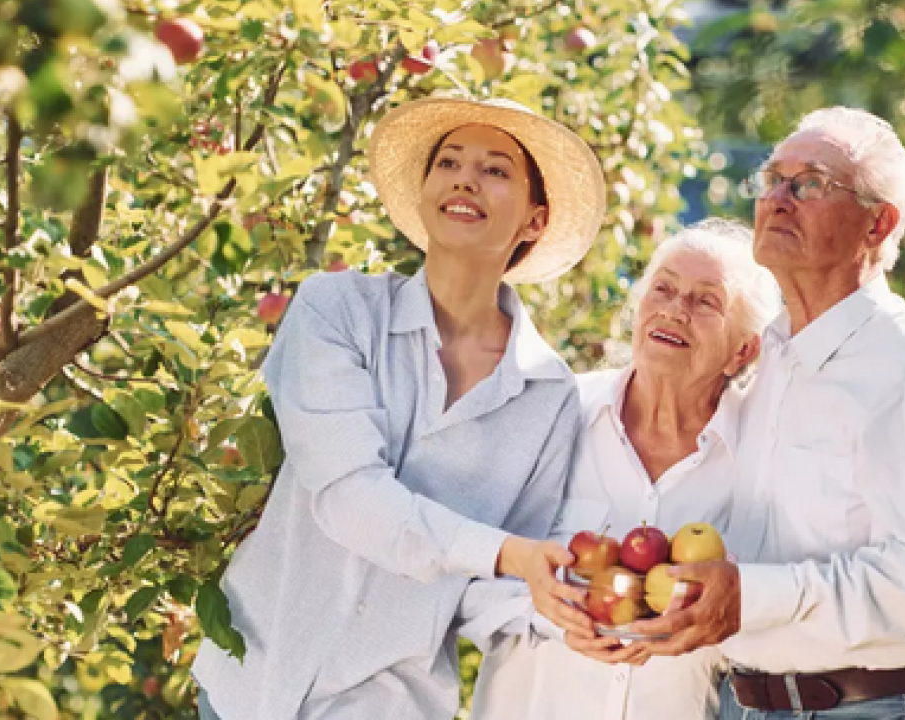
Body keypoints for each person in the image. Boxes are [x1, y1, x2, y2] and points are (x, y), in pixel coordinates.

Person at [190, 96, 604, 720]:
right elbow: (348, 497)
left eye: (495, 170)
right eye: (448, 162)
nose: (465, 178)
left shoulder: (548, 396)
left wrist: (565, 612)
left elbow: (494, 588)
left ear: (534, 221)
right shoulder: (336, 311)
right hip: (248, 683)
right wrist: (507, 553)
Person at [628, 107, 905, 718]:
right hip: (750, 702)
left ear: (878, 224)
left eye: (810, 184)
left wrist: (753, 596)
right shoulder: (765, 356)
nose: (777, 198)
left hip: (884, 705)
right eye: (772, 179)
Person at [466, 219, 783, 719]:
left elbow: (781, 614)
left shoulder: (765, 458)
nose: (675, 310)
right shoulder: (553, 413)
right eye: (663, 288)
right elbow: (463, 568)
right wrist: (548, 611)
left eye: (706, 302)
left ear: (743, 351)